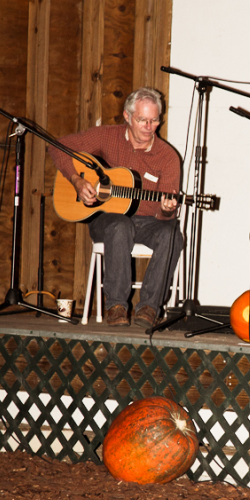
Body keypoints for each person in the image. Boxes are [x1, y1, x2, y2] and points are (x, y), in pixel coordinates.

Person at [50, 87, 183, 328]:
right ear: (127, 116)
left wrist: (166, 209)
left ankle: (149, 308)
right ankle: (117, 305)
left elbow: (166, 217)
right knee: (120, 225)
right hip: (107, 219)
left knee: (172, 233)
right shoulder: (107, 136)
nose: (148, 126)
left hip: (148, 222)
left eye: (154, 120)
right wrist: (77, 180)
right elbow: (59, 146)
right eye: (142, 120)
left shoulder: (167, 157)